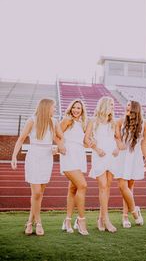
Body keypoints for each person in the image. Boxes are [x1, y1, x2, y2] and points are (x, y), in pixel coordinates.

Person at [11, 98, 65, 236]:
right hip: (34, 156)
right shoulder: (32, 121)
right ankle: (38, 222)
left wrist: (56, 148)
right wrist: (14, 156)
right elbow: (21, 139)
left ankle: (30, 220)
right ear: (46, 107)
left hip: (47, 157)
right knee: (36, 193)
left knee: (39, 193)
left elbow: (61, 137)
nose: (55, 110)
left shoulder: (54, 122)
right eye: (53, 107)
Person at [84, 96, 118, 233]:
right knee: (103, 186)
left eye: (113, 105)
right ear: (103, 105)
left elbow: (117, 139)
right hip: (99, 155)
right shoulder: (93, 121)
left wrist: (117, 148)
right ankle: (107, 219)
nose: (112, 107)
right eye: (110, 104)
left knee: (107, 187)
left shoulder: (113, 122)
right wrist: (97, 149)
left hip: (112, 155)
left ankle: (100, 218)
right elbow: (86, 139)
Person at [114, 100, 146, 228]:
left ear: (135, 109)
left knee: (129, 187)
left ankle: (125, 216)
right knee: (122, 186)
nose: (126, 107)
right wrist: (118, 144)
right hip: (122, 157)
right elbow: (116, 137)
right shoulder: (120, 121)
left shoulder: (144, 124)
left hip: (135, 157)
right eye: (126, 105)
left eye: (129, 105)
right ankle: (134, 212)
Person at [60, 99, 89, 235]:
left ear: (82, 110)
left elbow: (84, 141)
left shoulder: (82, 123)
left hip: (79, 155)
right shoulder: (68, 120)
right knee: (83, 185)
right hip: (69, 155)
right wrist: (60, 146)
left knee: (73, 188)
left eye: (79, 108)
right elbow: (57, 134)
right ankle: (81, 220)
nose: (76, 110)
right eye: (74, 107)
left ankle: (67, 220)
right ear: (70, 108)